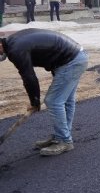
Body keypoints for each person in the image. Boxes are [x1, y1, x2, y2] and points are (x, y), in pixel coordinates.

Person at [0, 28, 89, 156]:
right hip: (76, 57)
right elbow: (50, 53)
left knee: (53, 101)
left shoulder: (15, 50)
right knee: (65, 100)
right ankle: (62, 135)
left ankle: (64, 141)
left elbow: (28, 76)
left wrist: (35, 101)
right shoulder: (13, 41)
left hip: (71, 61)